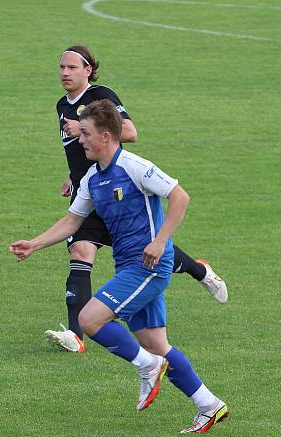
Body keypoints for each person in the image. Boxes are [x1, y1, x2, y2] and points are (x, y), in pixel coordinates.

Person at [11, 99, 228, 433]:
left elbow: (180, 197)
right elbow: (72, 221)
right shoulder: (92, 180)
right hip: (129, 265)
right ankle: (209, 405)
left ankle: (147, 366)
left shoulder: (135, 166)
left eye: (85, 133)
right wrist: (34, 244)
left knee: (88, 319)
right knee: (157, 345)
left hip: (150, 266)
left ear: (107, 136)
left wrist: (160, 241)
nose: (79, 139)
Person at [45, 45, 227, 353]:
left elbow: (129, 132)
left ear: (87, 70)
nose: (64, 72)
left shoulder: (101, 97)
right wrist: (72, 177)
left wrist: (79, 129)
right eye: (61, 67)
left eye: (72, 67)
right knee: (80, 250)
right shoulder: (62, 105)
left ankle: (200, 271)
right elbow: (79, 149)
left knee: (150, 252)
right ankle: (76, 335)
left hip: (118, 192)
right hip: (89, 193)